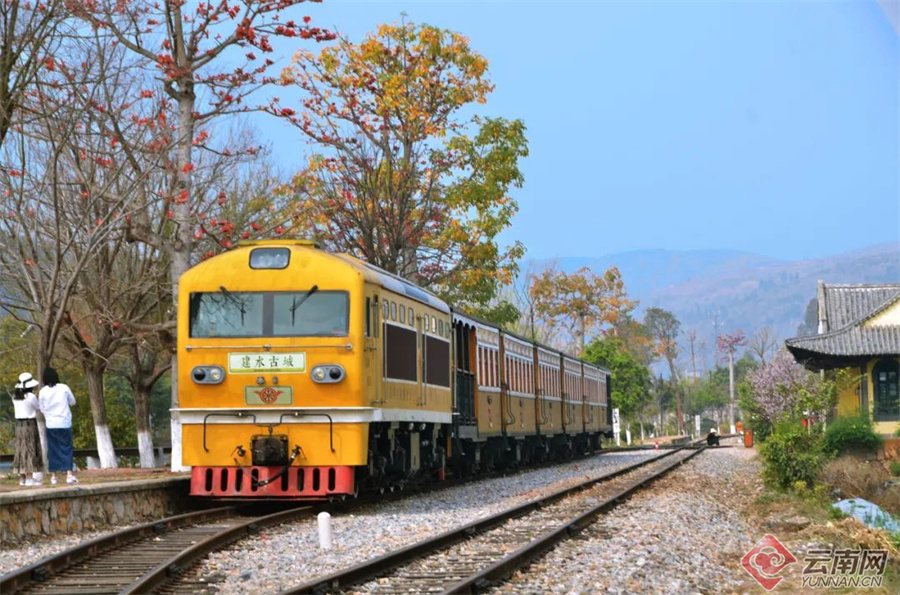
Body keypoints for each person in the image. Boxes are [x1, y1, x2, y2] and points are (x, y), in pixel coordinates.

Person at [39, 367, 78, 485]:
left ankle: (54, 476)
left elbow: (41, 408)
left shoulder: (43, 391)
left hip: (51, 423)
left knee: (53, 449)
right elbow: (73, 402)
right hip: (64, 422)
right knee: (66, 448)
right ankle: (69, 475)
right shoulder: (64, 388)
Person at [12, 373, 43, 486]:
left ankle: (22, 478)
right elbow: (38, 407)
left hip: (18, 426)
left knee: (20, 450)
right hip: (29, 424)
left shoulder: (14, 397)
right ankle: (30, 477)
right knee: (30, 449)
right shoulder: (30, 396)